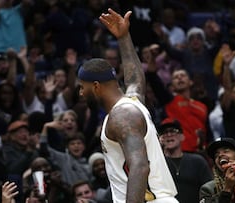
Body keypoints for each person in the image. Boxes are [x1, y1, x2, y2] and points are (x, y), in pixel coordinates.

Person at [78, 8, 178, 203]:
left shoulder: (122, 117)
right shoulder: (132, 103)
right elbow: (135, 79)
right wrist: (124, 37)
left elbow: (140, 166)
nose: (81, 93)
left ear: (96, 86)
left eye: (83, 87)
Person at [158, 118, 212, 203]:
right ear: (160, 139)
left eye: (173, 131)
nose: (169, 134)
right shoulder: (157, 164)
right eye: (164, 132)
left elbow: (210, 189)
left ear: (182, 136)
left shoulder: (197, 162)